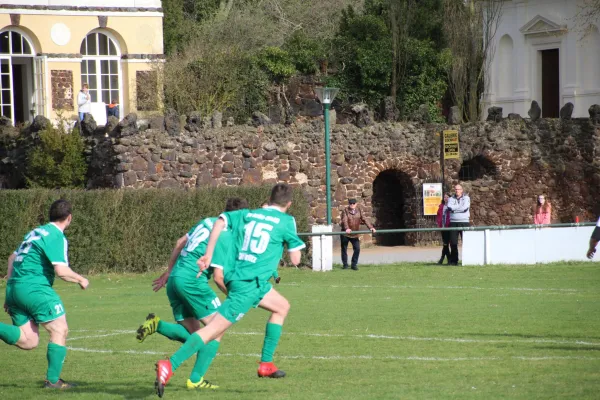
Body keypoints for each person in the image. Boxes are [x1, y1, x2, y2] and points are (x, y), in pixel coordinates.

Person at [153, 183, 305, 398]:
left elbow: (220, 221)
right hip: (248, 285)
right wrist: (290, 247)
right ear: (289, 203)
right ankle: (170, 365)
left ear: (268, 199)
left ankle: (266, 364)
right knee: (212, 332)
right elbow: (296, 259)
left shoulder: (250, 214)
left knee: (281, 307)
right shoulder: (287, 221)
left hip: (249, 280)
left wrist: (208, 253)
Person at [136, 197, 249, 390]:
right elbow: (218, 278)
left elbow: (180, 242)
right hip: (192, 282)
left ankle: (158, 325)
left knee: (196, 335)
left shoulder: (206, 222)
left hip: (175, 281)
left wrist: (169, 272)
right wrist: (236, 295)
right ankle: (189, 376)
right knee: (216, 331)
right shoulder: (224, 235)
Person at [0, 200, 89, 389]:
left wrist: (10, 287)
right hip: (35, 288)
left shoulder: (35, 232)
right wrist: (81, 279)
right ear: (69, 218)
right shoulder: (56, 235)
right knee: (59, 329)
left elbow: (12, 257)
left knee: (28, 340)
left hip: (15, 288)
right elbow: (62, 271)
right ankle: (53, 380)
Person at [340, 198, 376, 270]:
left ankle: (354, 264)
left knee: (357, 249)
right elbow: (345, 220)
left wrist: (371, 227)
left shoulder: (359, 210)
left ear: (356, 204)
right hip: (345, 234)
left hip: (355, 234)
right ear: (349, 204)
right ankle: (345, 265)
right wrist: (347, 228)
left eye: (353, 203)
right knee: (344, 249)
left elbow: (364, 219)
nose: (352, 205)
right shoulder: (345, 210)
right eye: (350, 203)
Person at [446, 184, 470, 266]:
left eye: (458, 189)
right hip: (453, 222)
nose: (457, 191)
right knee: (453, 242)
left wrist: (454, 209)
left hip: (464, 222)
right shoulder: (451, 199)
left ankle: (468, 260)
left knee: (467, 242)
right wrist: (458, 208)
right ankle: (454, 261)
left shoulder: (466, 198)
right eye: (456, 189)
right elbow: (449, 207)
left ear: (462, 190)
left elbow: (465, 208)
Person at [436, 193, 451, 264]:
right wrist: (439, 224)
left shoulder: (451, 206)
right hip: (443, 227)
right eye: (445, 197)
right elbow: (439, 216)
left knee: (446, 243)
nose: (446, 198)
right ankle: (448, 259)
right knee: (445, 244)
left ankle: (442, 259)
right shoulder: (441, 206)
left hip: (449, 227)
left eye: (447, 197)